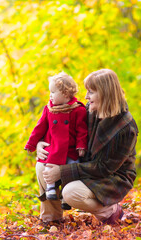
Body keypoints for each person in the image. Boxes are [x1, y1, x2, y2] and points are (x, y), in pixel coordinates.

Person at [36, 69, 138, 224]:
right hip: (87, 165)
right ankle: (52, 219)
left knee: (70, 192)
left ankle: (109, 211)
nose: (86, 97)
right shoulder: (89, 109)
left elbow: (104, 168)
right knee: (42, 166)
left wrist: (62, 171)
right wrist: (40, 143)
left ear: (105, 93)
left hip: (112, 177)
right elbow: (63, 132)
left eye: (91, 92)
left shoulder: (125, 128)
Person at [24, 72, 88, 208]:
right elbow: (39, 127)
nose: (50, 95)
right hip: (55, 148)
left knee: (72, 167)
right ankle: (51, 189)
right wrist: (32, 144)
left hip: (70, 150)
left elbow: (82, 130)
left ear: (65, 94)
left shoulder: (78, 110)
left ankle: (65, 196)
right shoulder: (49, 109)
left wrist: (81, 146)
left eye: (53, 92)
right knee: (48, 166)